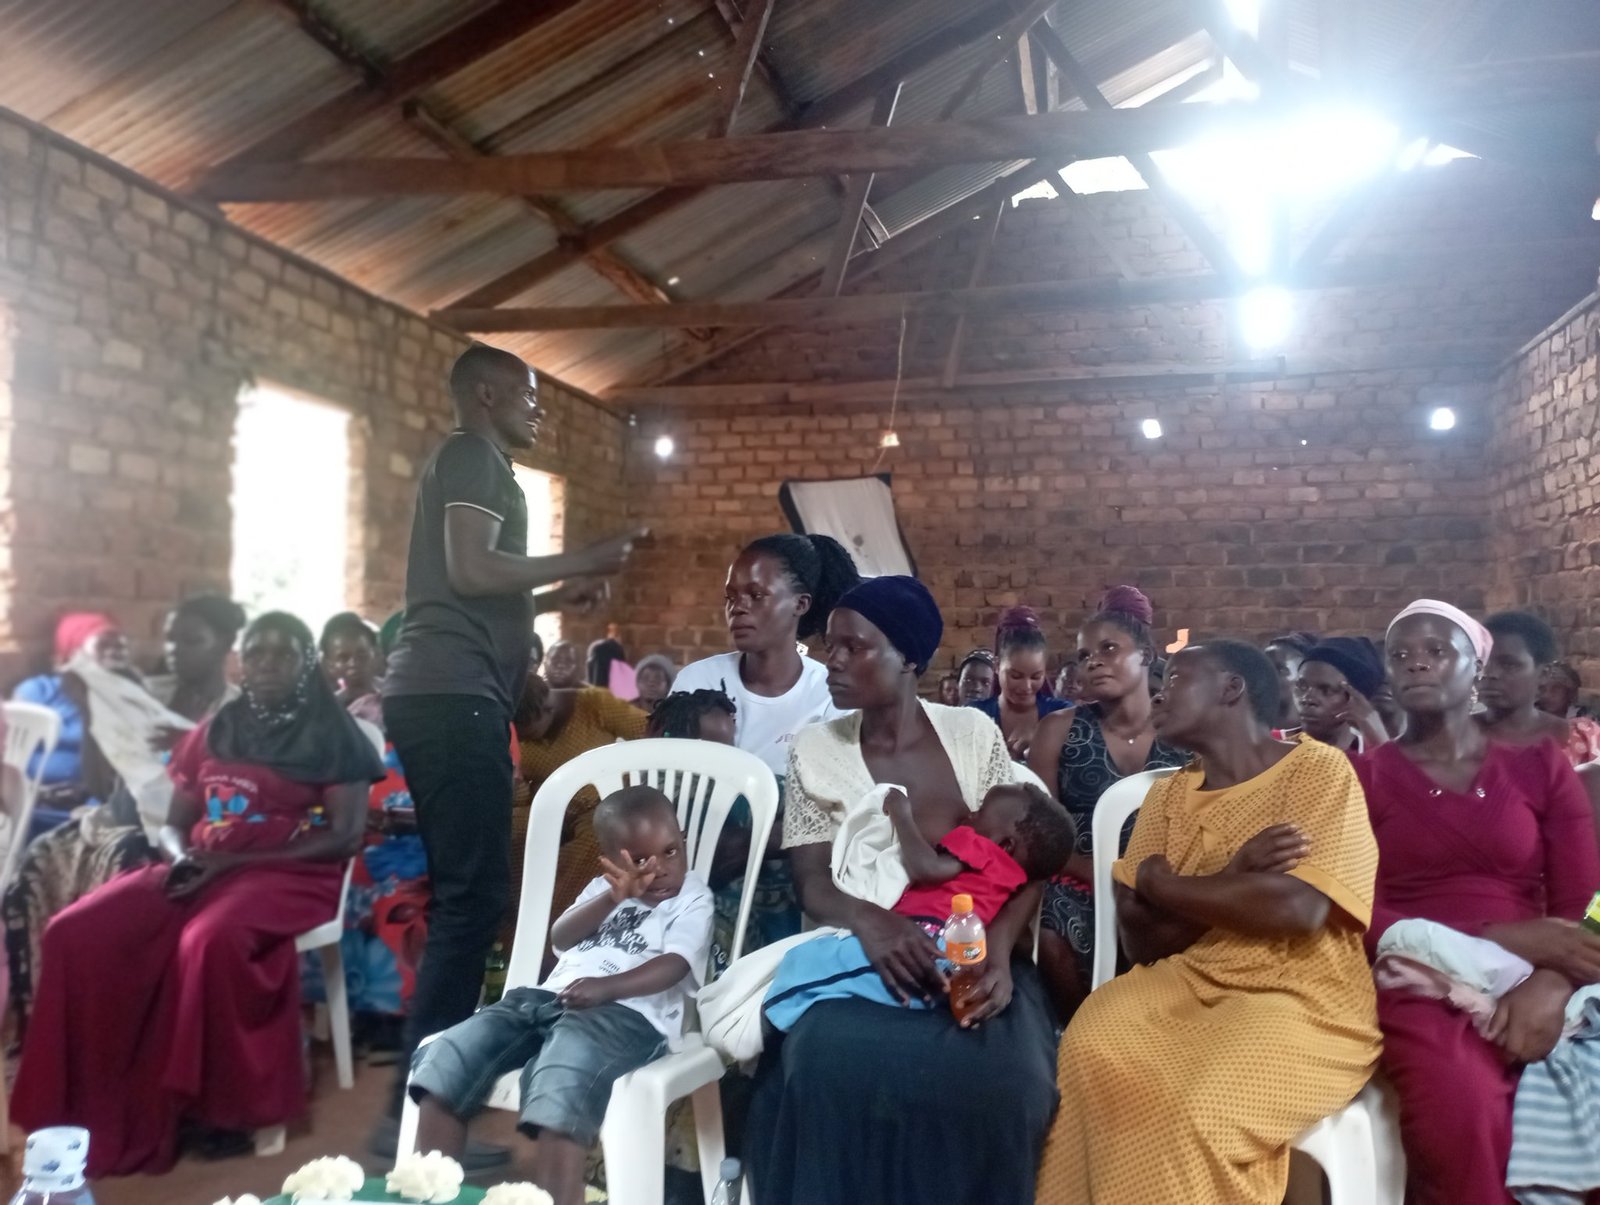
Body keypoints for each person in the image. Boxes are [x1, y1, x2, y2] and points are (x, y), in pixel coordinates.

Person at [375, 344, 642, 1155]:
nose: (540, 408)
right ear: (486, 393)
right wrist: (581, 557)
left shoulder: (471, 462)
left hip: (445, 689)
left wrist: (558, 593)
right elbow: (468, 565)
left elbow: (464, 580)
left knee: (469, 900)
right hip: (452, 692)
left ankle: (425, 1120)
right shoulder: (475, 456)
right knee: (469, 904)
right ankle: (420, 1125)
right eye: (529, 394)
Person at [11, 612, 385, 1175]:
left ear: (306, 663)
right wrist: (183, 857)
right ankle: (95, 1096)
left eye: (282, 655)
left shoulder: (335, 735)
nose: (265, 666)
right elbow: (173, 822)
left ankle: (221, 1109)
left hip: (289, 872)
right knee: (77, 931)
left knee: (208, 940)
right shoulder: (219, 725)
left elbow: (344, 836)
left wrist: (233, 861)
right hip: (203, 861)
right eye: (255, 654)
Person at [745, 575, 1059, 1205]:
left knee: (1010, 1081)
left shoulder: (972, 736)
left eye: (853, 647)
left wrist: (997, 948)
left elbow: (1029, 866)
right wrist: (873, 922)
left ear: (909, 659)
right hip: (865, 952)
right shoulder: (817, 750)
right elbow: (812, 883)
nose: (830, 660)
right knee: (826, 1064)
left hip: (972, 956)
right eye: (829, 645)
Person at [1035, 641, 1382, 1204]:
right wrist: (1239, 873)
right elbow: (1140, 938)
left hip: (1297, 995)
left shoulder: (1317, 770)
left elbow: (1297, 909)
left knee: (1198, 1107)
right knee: (1089, 1049)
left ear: (1231, 688)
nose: (1158, 692)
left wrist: (1164, 885)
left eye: (1174, 679)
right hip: (1182, 981)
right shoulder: (1168, 795)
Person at [1355, 600, 1600, 1205]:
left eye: (1437, 651)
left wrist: (1550, 983)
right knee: (1461, 1099)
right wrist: (1500, 938)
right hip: (1418, 971)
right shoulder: (1363, 778)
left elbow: (1585, 898)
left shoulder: (1539, 767)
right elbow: (1353, 907)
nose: (1416, 664)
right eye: (1401, 655)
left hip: (1549, 966)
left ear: (1476, 667)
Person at [410, 786, 713, 1205]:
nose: (659, 869)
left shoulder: (692, 899)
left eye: (670, 852)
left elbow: (675, 965)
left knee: (561, 1077)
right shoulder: (600, 891)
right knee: (450, 1053)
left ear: (682, 841)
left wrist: (607, 988)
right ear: (609, 860)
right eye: (640, 860)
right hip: (547, 999)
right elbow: (562, 936)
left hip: (625, 1015)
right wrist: (612, 897)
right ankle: (430, 1193)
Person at [4, 594, 247, 1025]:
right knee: (36, 863)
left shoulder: (237, 713)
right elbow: (99, 784)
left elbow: (238, 799)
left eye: (190, 641)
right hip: (116, 817)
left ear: (225, 642)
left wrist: (189, 749)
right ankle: (49, 1016)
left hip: (184, 836)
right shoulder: (146, 694)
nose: (174, 652)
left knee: (120, 873)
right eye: (170, 640)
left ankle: (120, 1021)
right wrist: (88, 709)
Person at [671, 532, 860, 960]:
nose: (738, 607)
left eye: (756, 595)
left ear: (800, 604)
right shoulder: (696, 683)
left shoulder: (828, 695)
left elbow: (840, 810)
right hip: (696, 859)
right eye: (731, 596)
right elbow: (672, 793)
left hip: (794, 869)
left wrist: (754, 841)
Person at [764, 780, 1074, 1030]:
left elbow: (927, 868)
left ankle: (770, 1012)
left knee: (807, 962)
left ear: (1005, 845)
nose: (970, 815)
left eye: (981, 813)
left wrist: (901, 813)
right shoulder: (1016, 878)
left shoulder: (982, 848)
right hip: (959, 957)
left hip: (927, 938)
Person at [1028, 585, 1186, 1018]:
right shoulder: (1058, 729)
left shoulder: (1184, 730)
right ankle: (1082, 1035)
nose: (1093, 661)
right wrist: (1106, 876)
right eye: (1083, 655)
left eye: (1109, 649)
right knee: (1052, 928)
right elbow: (1040, 832)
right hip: (1078, 876)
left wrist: (1151, 884)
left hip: (1166, 882)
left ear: (1147, 656)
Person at [514, 673, 650, 926]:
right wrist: (518, 787)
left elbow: (650, 733)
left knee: (596, 837)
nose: (524, 741)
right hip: (552, 809)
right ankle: (510, 931)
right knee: (507, 830)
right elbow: (520, 797)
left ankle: (554, 927)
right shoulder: (517, 735)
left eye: (529, 733)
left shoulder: (592, 704)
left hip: (607, 805)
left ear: (547, 709)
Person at [11, 613, 135, 814]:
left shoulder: (127, 702)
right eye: (103, 645)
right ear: (71, 654)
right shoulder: (37, 692)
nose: (114, 653)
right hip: (28, 806)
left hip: (90, 809)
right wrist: (37, 793)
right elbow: (9, 755)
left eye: (121, 647)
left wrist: (85, 792)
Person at [1480, 610, 1600, 767]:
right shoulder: (1453, 738)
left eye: (1508, 665)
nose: (1490, 674)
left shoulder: (1583, 737)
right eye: (1482, 662)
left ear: (1543, 673)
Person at [967, 606, 1072, 760]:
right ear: (996, 666)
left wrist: (1045, 738)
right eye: (1015, 676)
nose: (1026, 687)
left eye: (1036, 677)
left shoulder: (1063, 714)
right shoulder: (975, 716)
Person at [1294, 636, 1391, 754]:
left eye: (1326, 690)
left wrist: (1382, 745)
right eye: (1302, 687)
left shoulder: (1373, 757)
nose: (1307, 699)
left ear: (1356, 699)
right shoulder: (1273, 750)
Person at [321, 611, 384, 728]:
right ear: (331, 666)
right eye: (343, 658)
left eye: (362, 655)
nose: (354, 663)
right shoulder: (330, 711)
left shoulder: (396, 694)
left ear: (376, 655)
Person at [1265, 631, 1317, 734]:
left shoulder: (1332, 738)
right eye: (1264, 668)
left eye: (1280, 670)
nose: (1268, 676)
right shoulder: (1247, 734)